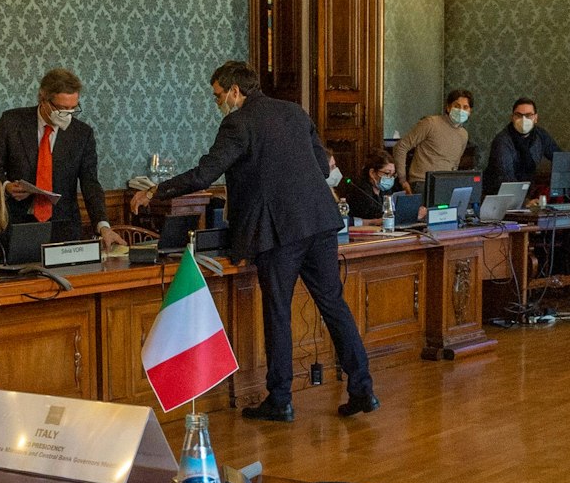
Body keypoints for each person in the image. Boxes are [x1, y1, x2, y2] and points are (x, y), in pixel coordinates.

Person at [131, 62, 376, 422]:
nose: (217, 102)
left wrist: (156, 190)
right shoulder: (293, 111)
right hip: (320, 222)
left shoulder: (238, 122)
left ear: (234, 91)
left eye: (218, 95)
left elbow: (204, 173)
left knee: (278, 311)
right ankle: (363, 389)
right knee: (334, 306)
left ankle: (279, 399)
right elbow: (323, 168)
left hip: (278, 231)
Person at [0, 69, 123, 249]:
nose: (67, 114)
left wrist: (103, 226)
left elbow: (90, 183)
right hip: (18, 222)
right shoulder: (12, 121)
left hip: (64, 225)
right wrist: (7, 186)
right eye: (62, 108)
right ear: (43, 99)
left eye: (73, 108)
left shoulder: (82, 134)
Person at [395, 89, 474, 193]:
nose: (460, 111)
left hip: (446, 185)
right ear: (448, 107)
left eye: (465, 107)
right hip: (422, 183)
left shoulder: (464, 134)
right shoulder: (430, 123)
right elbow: (401, 146)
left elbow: (455, 164)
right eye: (457, 106)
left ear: (470, 111)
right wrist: (402, 180)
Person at [482, 97, 560, 194]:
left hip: (528, 191)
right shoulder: (502, 141)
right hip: (499, 195)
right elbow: (506, 179)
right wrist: (526, 202)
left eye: (528, 115)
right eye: (518, 115)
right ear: (512, 117)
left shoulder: (540, 135)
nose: (524, 119)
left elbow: (559, 158)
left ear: (536, 118)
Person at [342, 152, 399, 222]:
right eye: (387, 173)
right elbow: (371, 214)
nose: (390, 178)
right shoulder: (360, 190)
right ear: (372, 173)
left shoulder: (386, 190)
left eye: (392, 174)